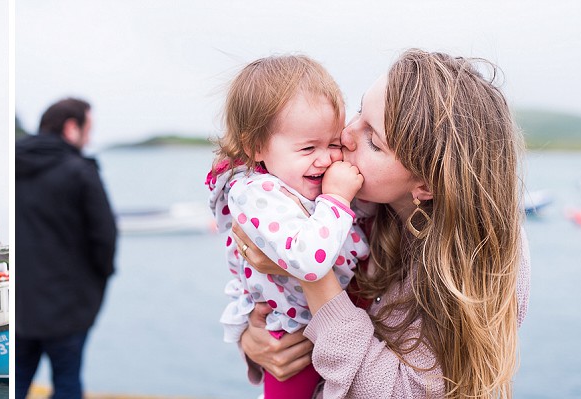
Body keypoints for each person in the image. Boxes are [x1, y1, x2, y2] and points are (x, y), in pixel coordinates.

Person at [235, 49, 531, 398]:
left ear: (426, 184)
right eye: (360, 110)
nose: (345, 135)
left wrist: (308, 272)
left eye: (373, 141)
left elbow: (398, 391)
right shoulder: (358, 195)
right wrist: (252, 338)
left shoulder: (480, 262)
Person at [206, 54, 369, 398]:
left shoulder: (299, 178)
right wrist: (338, 198)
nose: (325, 159)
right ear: (256, 147)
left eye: (334, 144)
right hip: (291, 331)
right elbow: (308, 262)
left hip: (336, 317)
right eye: (309, 147)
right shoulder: (256, 194)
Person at [15, 97, 118, 399]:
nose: (90, 138)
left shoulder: (14, 165)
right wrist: (100, 277)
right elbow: (105, 236)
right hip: (68, 304)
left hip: (21, 302)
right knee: (67, 380)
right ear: (72, 128)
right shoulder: (79, 171)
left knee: (18, 380)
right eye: (89, 129)